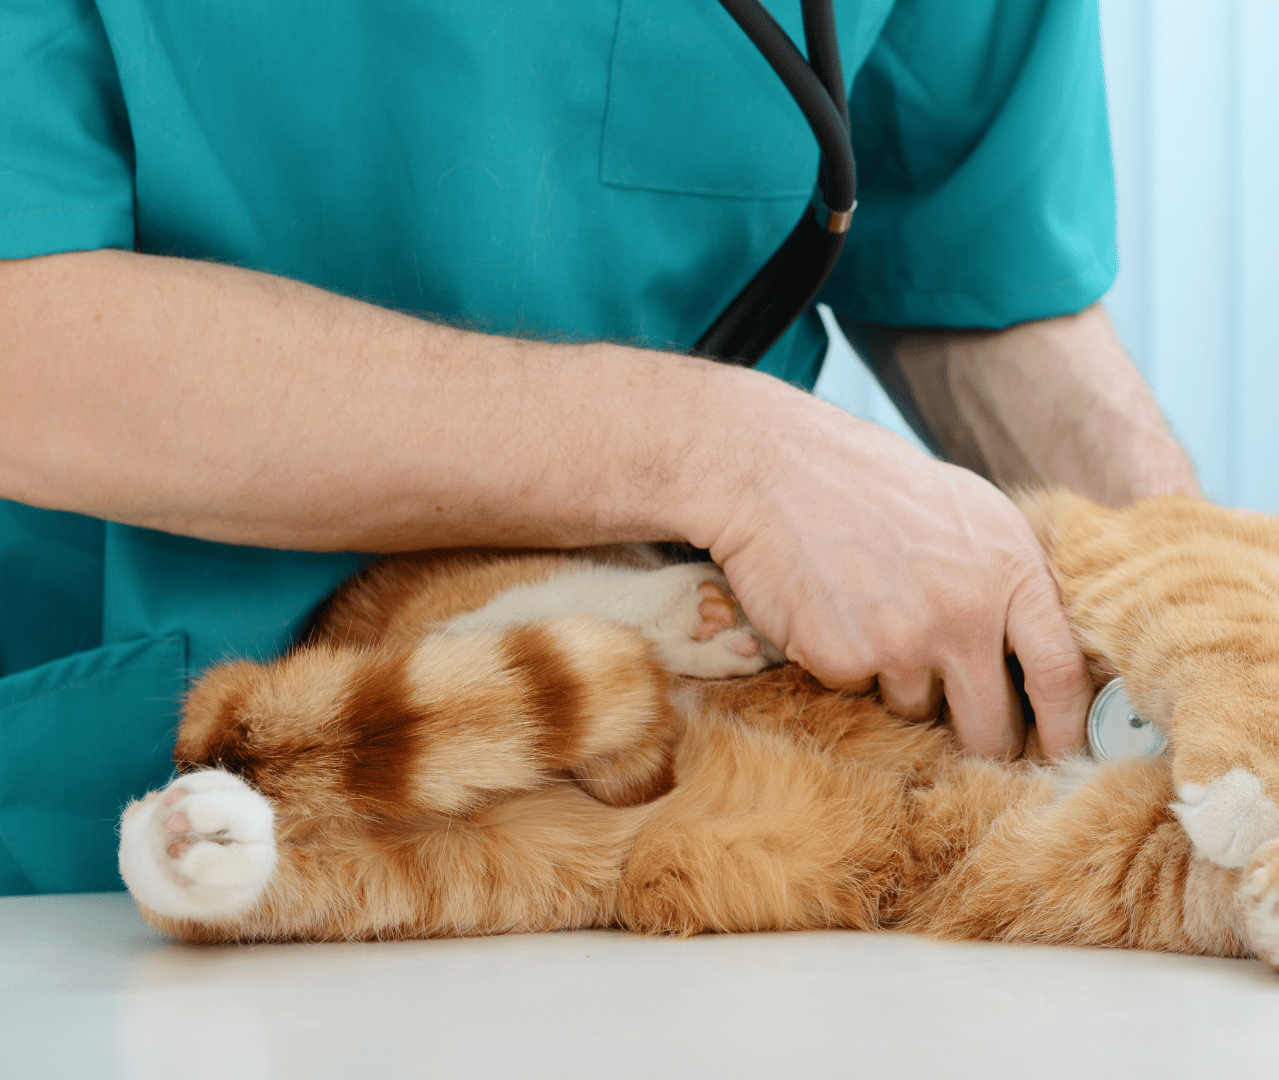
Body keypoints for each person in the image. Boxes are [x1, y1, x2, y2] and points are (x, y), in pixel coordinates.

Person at [0, 0, 1199, 895]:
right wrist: (720, 453)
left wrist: (1217, 628)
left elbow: (977, 278)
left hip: (678, 796)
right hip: (120, 832)